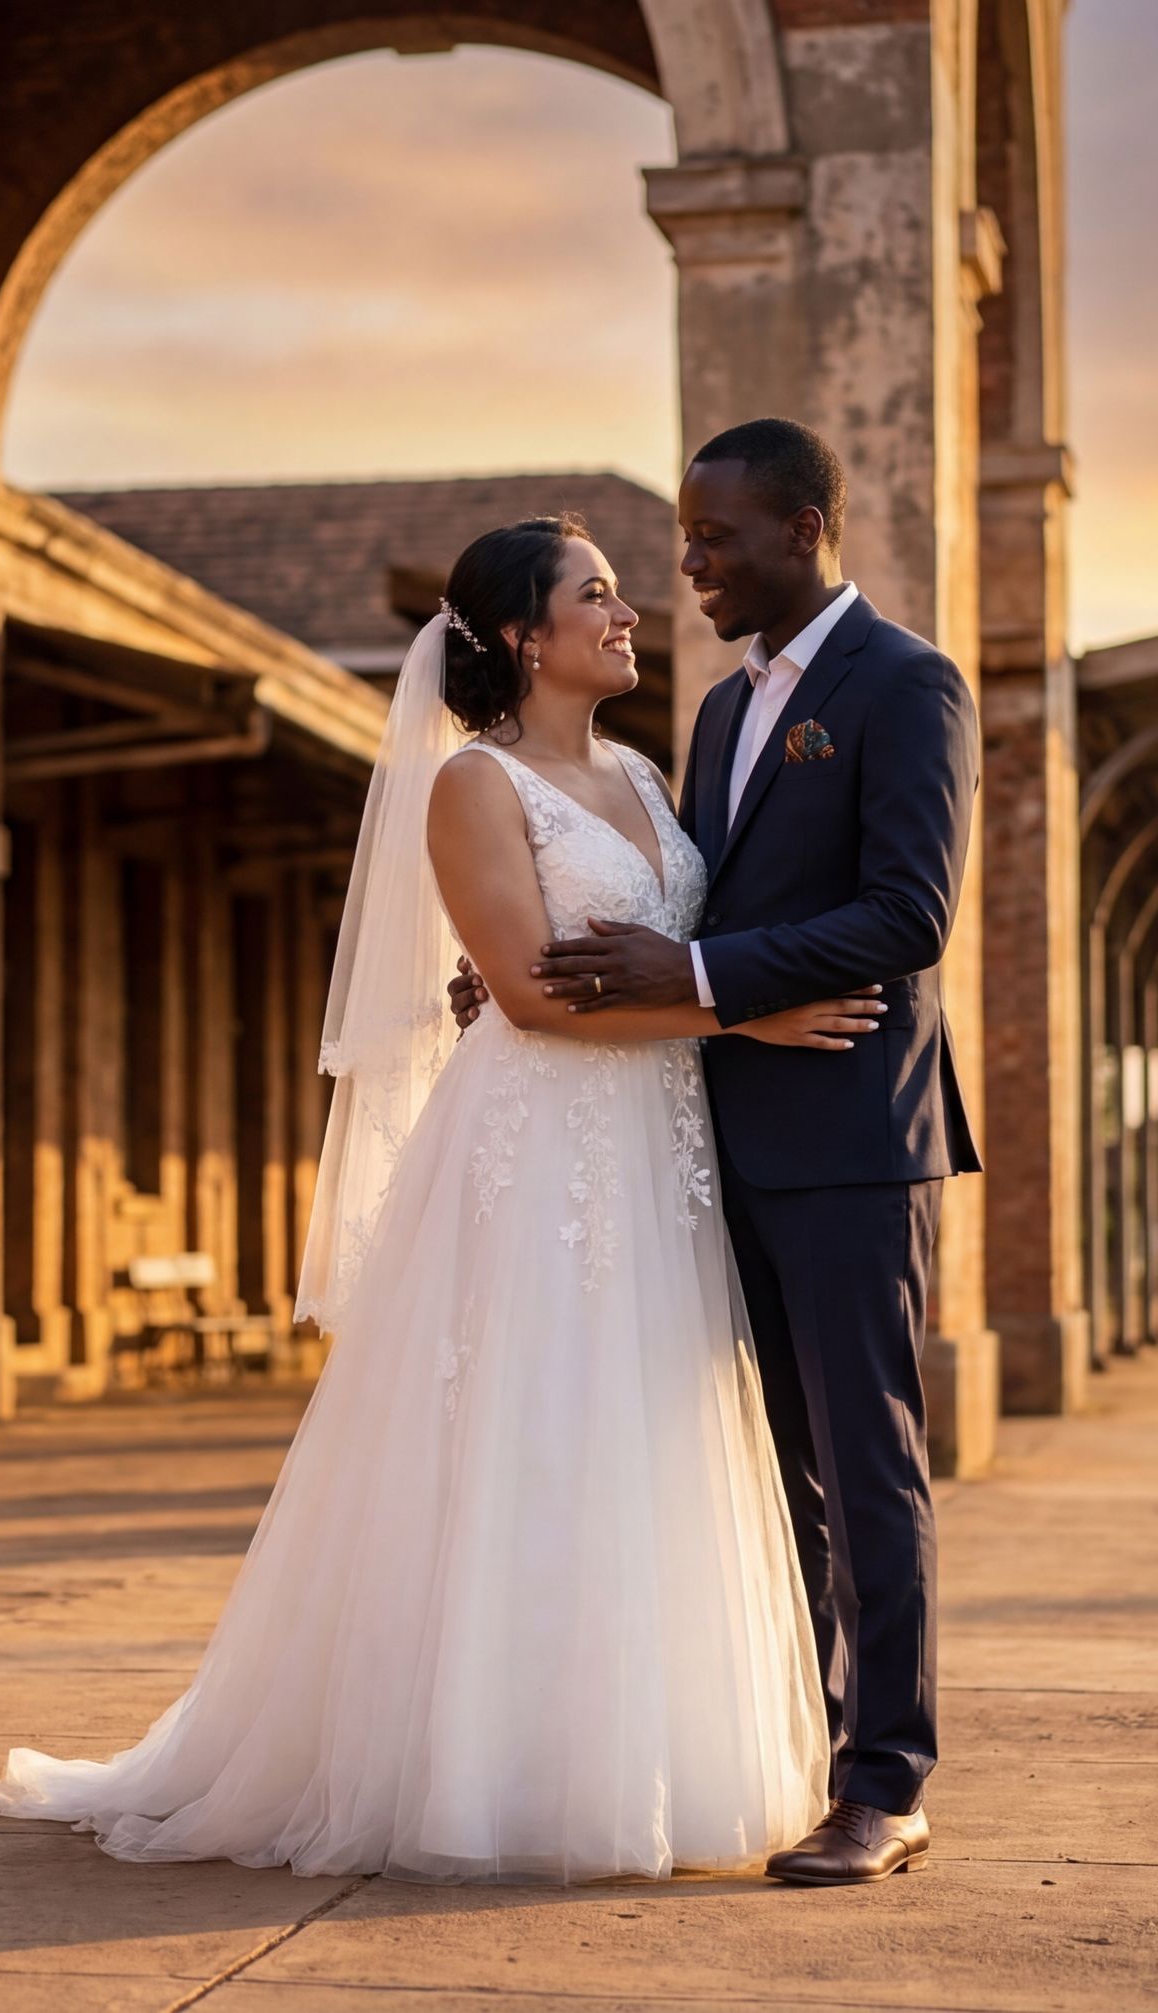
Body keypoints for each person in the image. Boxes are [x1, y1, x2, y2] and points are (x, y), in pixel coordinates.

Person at [0, 511, 888, 1882]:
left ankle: (652, 1759)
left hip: (661, 1155)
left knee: (650, 1437)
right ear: (526, 635)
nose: (628, 608)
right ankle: (482, 1774)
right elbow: (524, 993)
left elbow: (683, 938)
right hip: (540, 1152)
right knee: (532, 1436)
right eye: (598, 592)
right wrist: (744, 1023)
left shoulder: (650, 777)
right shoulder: (473, 787)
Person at [454, 418, 982, 1885]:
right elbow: (663, 909)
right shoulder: (720, 712)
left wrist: (690, 979)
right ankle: (803, 1752)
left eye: (713, 537)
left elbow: (908, 913)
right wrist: (535, 976)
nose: (687, 566)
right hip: (706, 1139)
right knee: (766, 1472)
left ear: (806, 528)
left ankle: (889, 1781)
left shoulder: (909, 683)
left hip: (850, 1135)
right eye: (679, 540)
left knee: (868, 1464)